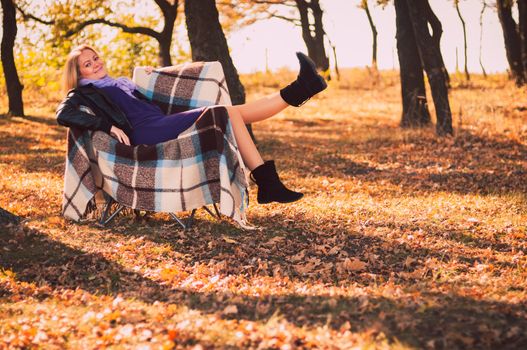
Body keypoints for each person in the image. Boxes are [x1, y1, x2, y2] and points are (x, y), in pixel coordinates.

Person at [56, 44, 327, 204]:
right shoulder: (83, 92)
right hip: (146, 133)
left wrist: (152, 76)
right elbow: (63, 114)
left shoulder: (119, 83)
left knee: (230, 114)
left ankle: (269, 183)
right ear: (79, 73)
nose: (95, 64)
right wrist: (107, 126)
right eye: (87, 64)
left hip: (159, 122)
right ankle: (302, 89)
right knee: (227, 113)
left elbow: (139, 102)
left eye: (96, 58)